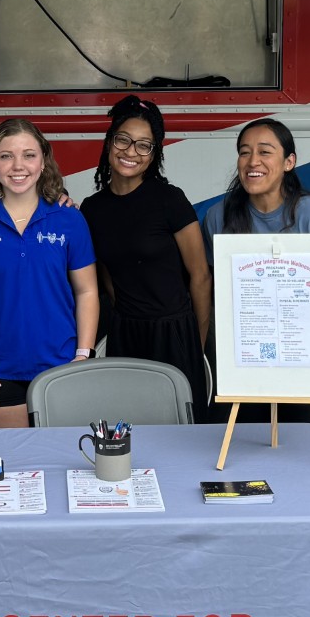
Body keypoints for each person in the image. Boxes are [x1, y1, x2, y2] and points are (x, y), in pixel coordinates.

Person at [0, 118, 99, 420]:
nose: (18, 165)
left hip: (61, 365)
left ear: (43, 161)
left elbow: (87, 291)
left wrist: (83, 356)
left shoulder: (69, 219)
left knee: (62, 462)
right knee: (14, 464)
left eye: (29, 155)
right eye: (6, 156)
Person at [79, 95, 213, 418]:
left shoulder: (170, 200)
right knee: (130, 424)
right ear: (109, 142)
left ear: (154, 155)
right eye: (123, 140)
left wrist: (196, 344)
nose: (130, 152)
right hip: (126, 335)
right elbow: (107, 277)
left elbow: (200, 277)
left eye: (144, 145)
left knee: (181, 432)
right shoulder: (92, 209)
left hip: (174, 334)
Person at [202, 117, 310, 345]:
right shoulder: (217, 217)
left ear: (289, 162)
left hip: (303, 347)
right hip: (244, 350)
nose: (253, 162)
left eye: (265, 152)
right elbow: (212, 291)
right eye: (244, 152)